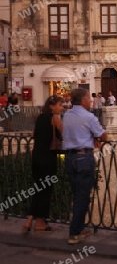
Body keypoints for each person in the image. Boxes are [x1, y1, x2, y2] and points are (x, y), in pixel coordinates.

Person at [63, 88, 108, 244]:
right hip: (84, 158)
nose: (91, 101)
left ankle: (80, 228)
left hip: (69, 158)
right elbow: (103, 135)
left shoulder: (67, 115)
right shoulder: (89, 117)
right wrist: (97, 138)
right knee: (83, 197)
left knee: (77, 195)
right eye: (89, 98)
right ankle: (74, 233)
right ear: (82, 101)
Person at [22, 95, 64, 234]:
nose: (61, 107)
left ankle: (29, 220)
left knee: (38, 188)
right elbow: (64, 135)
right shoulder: (55, 118)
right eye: (59, 105)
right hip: (48, 158)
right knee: (46, 190)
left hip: (37, 156)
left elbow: (35, 134)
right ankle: (40, 223)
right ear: (51, 106)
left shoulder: (40, 118)